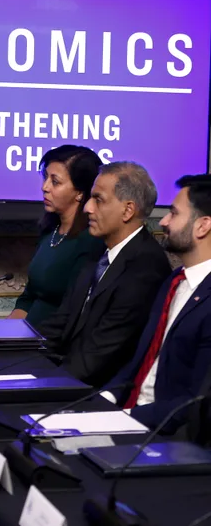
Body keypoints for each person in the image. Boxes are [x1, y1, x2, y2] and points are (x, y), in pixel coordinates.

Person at [35, 161, 171, 387]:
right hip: (67, 372)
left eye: (98, 199)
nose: (87, 207)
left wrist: (44, 387)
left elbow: (99, 356)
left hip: (96, 391)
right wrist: (20, 360)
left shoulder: (145, 268)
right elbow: (61, 322)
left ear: (127, 210)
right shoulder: (98, 249)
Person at [105, 174, 211, 433]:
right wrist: (104, 401)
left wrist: (125, 418)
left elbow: (196, 401)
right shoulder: (175, 280)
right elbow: (142, 359)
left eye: (173, 214)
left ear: (203, 226)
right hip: (128, 414)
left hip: (164, 435)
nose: (163, 221)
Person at [8, 145, 105, 327]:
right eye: (45, 178)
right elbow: (29, 296)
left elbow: (73, 312)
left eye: (55, 182)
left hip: (52, 344)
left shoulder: (90, 241)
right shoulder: (49, 232)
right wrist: (4, 333)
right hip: (25, 338)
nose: (45, 187)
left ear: (80, 192)